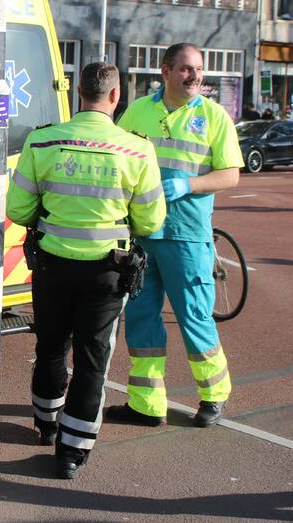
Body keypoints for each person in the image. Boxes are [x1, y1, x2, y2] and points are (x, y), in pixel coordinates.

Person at [5, 62, 166, 480]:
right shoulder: (137, 150)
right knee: (94, 361)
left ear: (79, 92)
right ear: (116, 97)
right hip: (107, 274)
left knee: (51, 346)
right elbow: (150, 223)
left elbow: (16, 209)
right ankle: (72, 452)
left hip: (52, 267)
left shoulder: (42, 142)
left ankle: (45, 422)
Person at [110, 43, 243, 429]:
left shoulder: (215, 116)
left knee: (195, 318)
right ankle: (147, 405)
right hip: (143, 233)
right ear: (165, 71)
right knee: (141, 319)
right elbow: (118, 156)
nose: (196, 76)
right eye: (186, 69)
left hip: (186, 235)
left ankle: (214, 396)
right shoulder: (138, 111)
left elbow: (231, 174)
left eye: (198, 70)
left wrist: (189, 184)